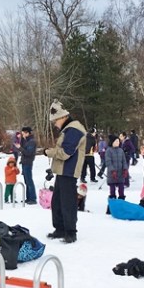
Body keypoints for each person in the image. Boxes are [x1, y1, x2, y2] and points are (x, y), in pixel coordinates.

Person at [44, 99, 86, 244]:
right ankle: (60, 228)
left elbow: (66, 152)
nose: (55, 124)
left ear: (63, 117)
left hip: (69, 170)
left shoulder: (74, 129)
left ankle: (70, 231)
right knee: (57, 202)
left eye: (56, 121)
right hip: (62, 170)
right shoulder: (69, 129)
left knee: (67, 203)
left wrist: (49, 152)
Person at [104, 134, 129, 203]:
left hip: (120, 173)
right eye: (116, 141)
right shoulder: (108, 151)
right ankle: (112, 203)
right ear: (112, 142)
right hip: (112, 174)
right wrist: (112, 170)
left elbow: (124, 161)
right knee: (112, 190)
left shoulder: (121, 150)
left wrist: (125, 169)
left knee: (121, 189)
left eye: (118, 141)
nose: (118, 142)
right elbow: (108, 162)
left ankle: (121, 203)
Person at [19, 126, 37, 205]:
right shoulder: (26, 140)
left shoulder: (32, 142)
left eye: (23, 133)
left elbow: (28, 153)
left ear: (27, 133)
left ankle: (33, 198)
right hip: (24, 162)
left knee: (29, 180)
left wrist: (20, 148)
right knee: (26, 181)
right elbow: (23, 148)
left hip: (28, 163)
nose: (22, 135)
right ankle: (28, 198)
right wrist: (21, 140)